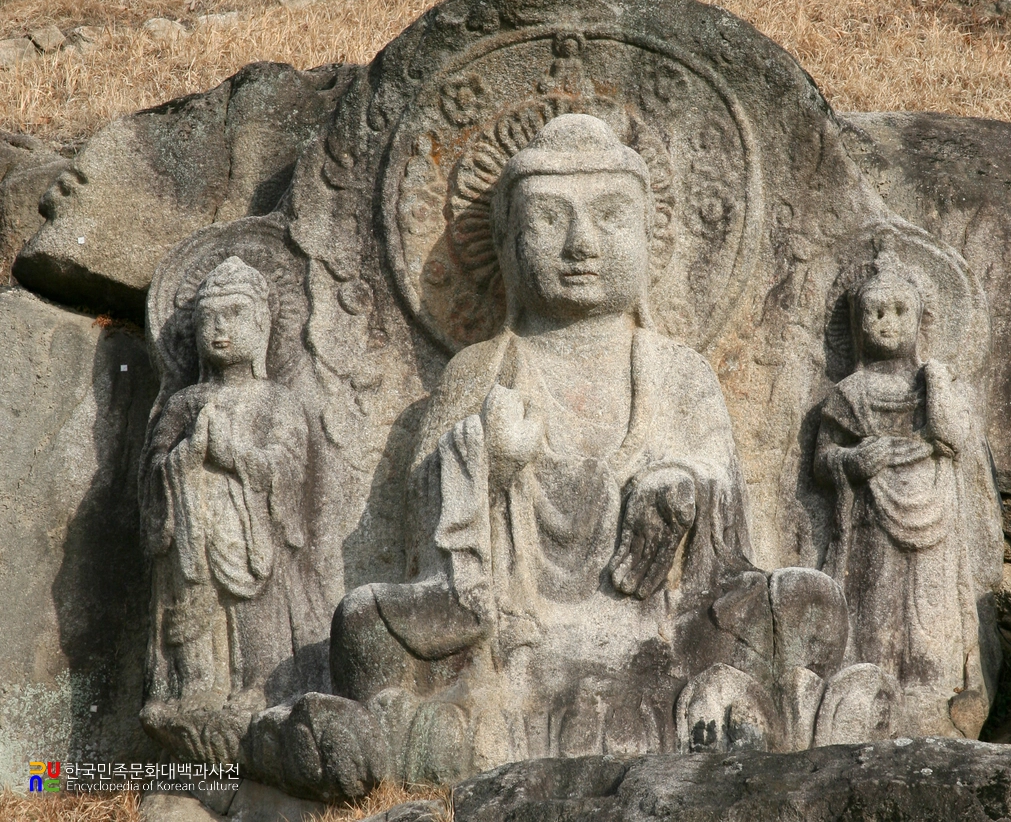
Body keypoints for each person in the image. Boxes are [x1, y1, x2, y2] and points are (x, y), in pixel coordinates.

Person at [326, 114, 769, 780]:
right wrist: (485, 462)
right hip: (513, 644)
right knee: (364, 619)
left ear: (651, 239)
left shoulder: (680, 372)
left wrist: (684, 488)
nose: (581, 244)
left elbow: (729, 538)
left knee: (795, 602)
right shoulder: (477, 371)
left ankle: (430, 738)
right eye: (549, 221)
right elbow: (423, 540)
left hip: (658, 640)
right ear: (504, 244)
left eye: (611, 218)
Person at [815, 248, 1000, 738]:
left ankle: (938, 703)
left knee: (930, 613)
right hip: (869, 523)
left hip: (934, 517)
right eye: (874, 312)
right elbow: (823, 458)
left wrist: (936, 380)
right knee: (873, 606)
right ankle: (864, 699)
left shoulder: (937, 385)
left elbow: (953, 438)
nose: (886, 324)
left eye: (899, 312)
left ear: (921, 319)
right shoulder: (849, 393)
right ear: (856, 325)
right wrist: (852, 462)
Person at [140, 256, 319, 762]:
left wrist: (232, 456)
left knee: (256, 623)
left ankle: (261, 689)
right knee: (191, 619)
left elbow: (288, 470)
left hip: (251, 540)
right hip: (191, 540)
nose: (219, 329)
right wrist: (181, 461)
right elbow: (151, 472)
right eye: (207, 319)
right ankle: (190, 691)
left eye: (235, 315)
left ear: (262, 325)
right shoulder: (183, 402)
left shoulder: (276, 402)